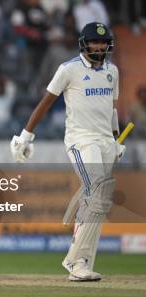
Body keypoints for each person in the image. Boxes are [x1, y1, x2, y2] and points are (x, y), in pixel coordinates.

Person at [10, 22, 122, 281]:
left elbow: (112, 109)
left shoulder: (112, 71)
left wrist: (115, 140)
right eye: (95, 42)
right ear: (84, 43)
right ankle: (74, 261)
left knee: (98, 202)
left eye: (104, 43)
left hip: (105, 141)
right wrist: (25, 136)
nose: (100, 46)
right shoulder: (69, 69)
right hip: (81, 141)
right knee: (96, 193)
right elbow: (46, 103)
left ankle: (83, 263)